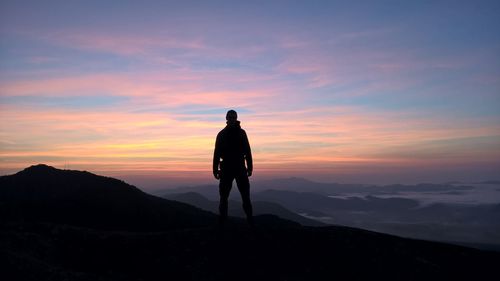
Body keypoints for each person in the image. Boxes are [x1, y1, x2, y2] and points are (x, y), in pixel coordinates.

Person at [213, 109, 253, 226]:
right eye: (230, 117)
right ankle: (222, 223)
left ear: (236, 118)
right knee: (224, 197)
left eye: (233, 117)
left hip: (240, 167)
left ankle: (250, 221)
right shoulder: (221, 134)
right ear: (226, 119)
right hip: (226, 169)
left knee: (245, 196)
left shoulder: (242, 133)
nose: (231, 119)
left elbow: (247, 151)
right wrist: (215, 169)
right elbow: (216, 153)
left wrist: (250, 167)